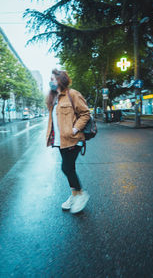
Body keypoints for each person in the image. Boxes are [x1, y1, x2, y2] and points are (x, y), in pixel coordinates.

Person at [46, 69, 91, 214]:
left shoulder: (73, 94)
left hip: (73, 139)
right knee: (69, 168)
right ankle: (74, 195)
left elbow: (85, 113)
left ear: (60, 79)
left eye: (53, 79)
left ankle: (81, 194)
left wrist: (75, 129)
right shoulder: (54, 98)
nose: (50, 81)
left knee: (66, 168)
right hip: (61, 141)